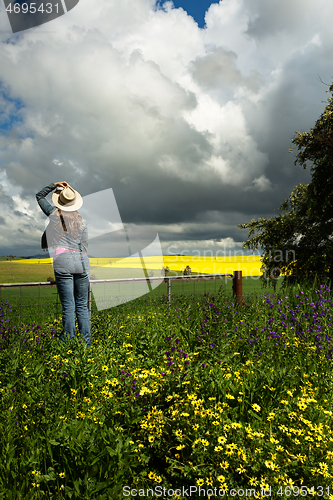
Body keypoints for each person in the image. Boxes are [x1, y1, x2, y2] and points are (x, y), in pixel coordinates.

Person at [36, 181, 91, 346]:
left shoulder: (54, 215)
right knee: (82, 305)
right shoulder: (82, 221)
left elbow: (39, 196)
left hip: (63, 261)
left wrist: (53, 185)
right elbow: (85, 245)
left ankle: (68, 341)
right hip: (82, 261)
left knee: (69, 306)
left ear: (59, 201)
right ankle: (86, 344)